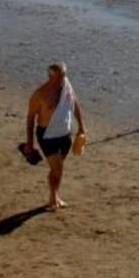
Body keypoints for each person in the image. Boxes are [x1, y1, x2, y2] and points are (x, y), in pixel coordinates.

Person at [25, 62, 87, 212]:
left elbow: (75, 103)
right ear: (51, 77)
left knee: (57, 170)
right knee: (57, 167)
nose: (63, 79)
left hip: (65, 134)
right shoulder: (39, 95)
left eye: (64, 75)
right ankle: (53, 197)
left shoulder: (66, 86)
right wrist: (30, 143)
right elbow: (30, 119)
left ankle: (55, 195)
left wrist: (82, 127)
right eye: (60, 76)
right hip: (47, 135)